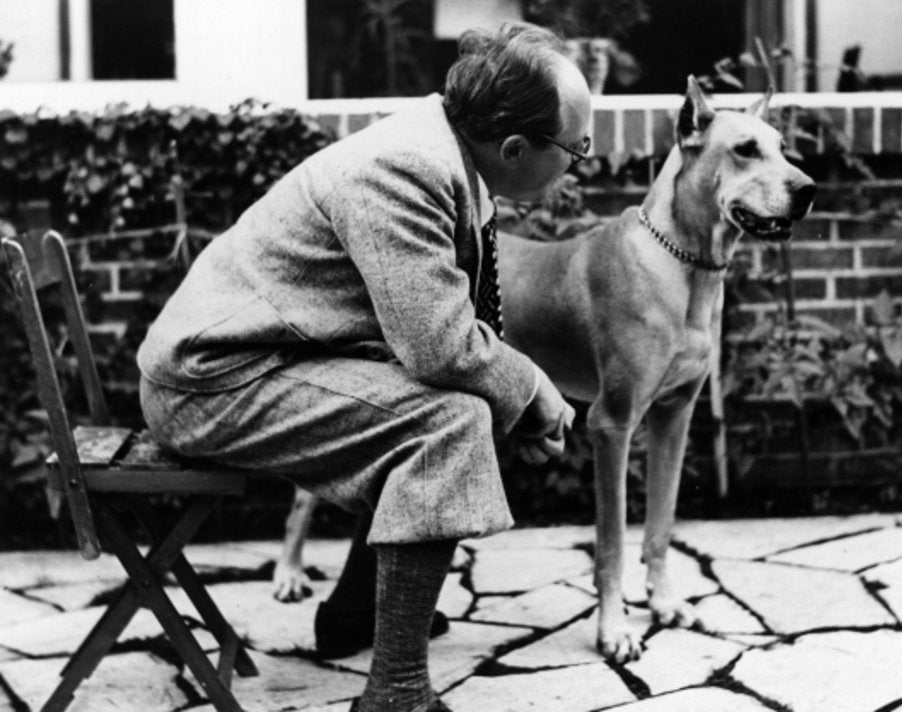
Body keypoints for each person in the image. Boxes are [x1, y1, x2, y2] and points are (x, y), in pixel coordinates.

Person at [137, 21, 592, 712]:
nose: (579, 164)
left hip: (257, 363)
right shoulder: (406, 168)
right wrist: (532, 388)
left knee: (441, 406)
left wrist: (515, 393)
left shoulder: (444, 149)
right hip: (209, 384)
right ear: (514, 147)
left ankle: (355, 613)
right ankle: (397, 694)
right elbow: (441, 345)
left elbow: (439, 339)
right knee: (447, 421)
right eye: (575, 150)